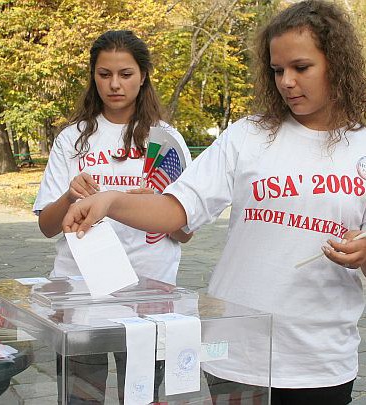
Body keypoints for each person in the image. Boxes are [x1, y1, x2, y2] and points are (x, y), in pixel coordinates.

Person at [61, 1, 366, 404]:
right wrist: (110, 200)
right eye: (277, 70)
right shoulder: (250, 135)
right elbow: (176, 211)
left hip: (318, 359)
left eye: (301, 67)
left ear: (337, 63)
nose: (287, 82)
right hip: (235, 352)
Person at [33, 30, 192, 404]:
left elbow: (184, 232)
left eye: (125, 73)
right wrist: (70, 195)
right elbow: (46, 226)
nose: (115, 84)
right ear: (93, 76)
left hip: (149, 296)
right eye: (104, 74)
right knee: (79, 398)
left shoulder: (166, 140)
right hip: (78, 293)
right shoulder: (72, 139)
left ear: (143, 76)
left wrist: (157, 204)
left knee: (139, 398)